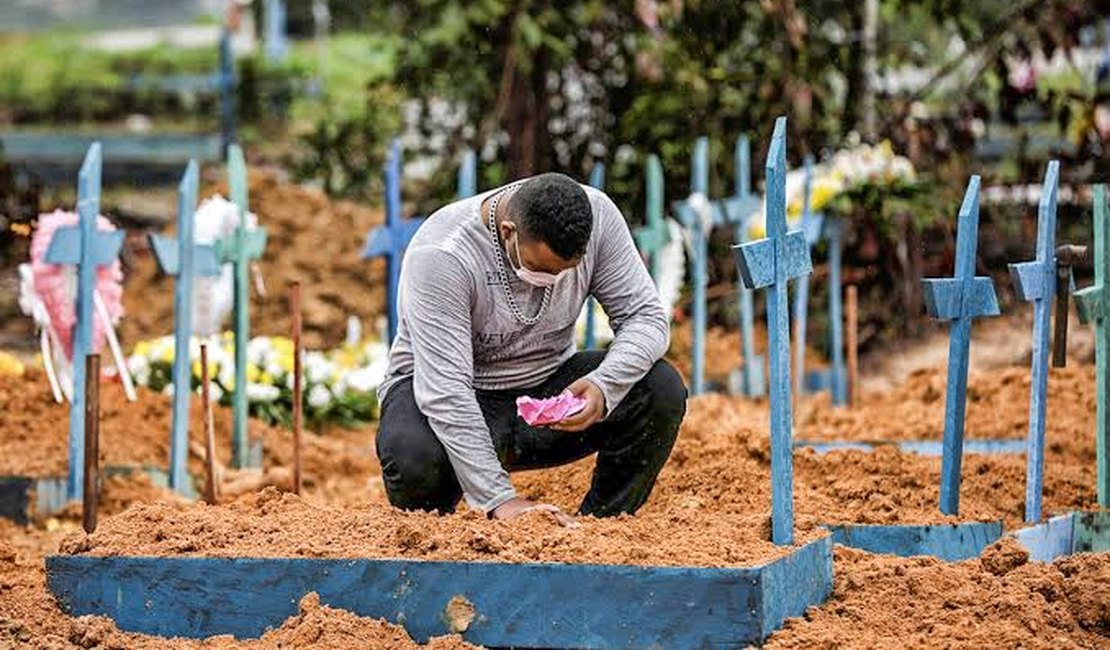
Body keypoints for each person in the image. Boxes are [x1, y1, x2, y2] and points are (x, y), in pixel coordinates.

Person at [375, 172, 686, 524]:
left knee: (659, 388)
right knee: (412, 456)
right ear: (508, 232)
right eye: (541, 268)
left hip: (544, 390)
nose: (552, 279)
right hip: (449, 394)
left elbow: (646, 318)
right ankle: (437, 546)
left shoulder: (599, 217)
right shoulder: (443, 255)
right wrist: (500, 500)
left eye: (565, 271)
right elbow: (445, 390)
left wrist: (605, 383)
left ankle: (598, 530)